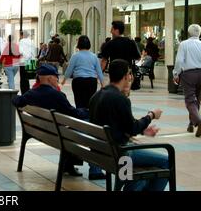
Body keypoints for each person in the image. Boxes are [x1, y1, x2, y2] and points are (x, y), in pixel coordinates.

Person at [89, 59, 167, 191]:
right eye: (129, 74)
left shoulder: (96, 96)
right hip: (120, 153)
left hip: (102, 151)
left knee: (141, 178)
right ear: (126, 76)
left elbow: (122, 124)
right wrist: (151, 115)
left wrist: (143, 130)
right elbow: (132, 128)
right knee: (166, 161)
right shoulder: (120, 99)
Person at [13, 64, 89, 176]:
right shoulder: (57, 95)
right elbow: (73, 113)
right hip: (56, 133)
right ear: (49, 78)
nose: (57, 79)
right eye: (55, 76)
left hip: (41, 131)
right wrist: (87, 111)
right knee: (81, 125)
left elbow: (16, 100)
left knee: (70, 129)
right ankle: (69, 165)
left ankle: (68, 165)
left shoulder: (31, 93)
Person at [61, 35, 104, 109]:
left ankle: (80, 117)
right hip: (91, 81)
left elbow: (69, 70)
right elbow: (99, 71)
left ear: (78, 44)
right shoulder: (94, 56)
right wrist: (103, 84)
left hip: (78, 81)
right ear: (89, 45)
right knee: (90, 102)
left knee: (79, 102)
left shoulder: (75, 56)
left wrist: (64, 80)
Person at [173, 24, 201, 136]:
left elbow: (179, 60)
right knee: (197, 100)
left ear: (188, 33)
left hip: (188, 74)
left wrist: (176, 73)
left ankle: (198, 122)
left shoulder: (184, 44)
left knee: (190, 100)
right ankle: (191, 124)